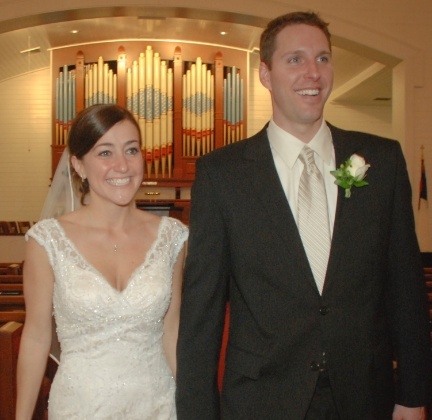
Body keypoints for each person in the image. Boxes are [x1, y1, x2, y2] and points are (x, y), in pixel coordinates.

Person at [176, 11, 432, 420]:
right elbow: (201, 313)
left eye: (323, 58)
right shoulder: (222, 175)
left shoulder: (382, 161)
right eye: (295, 59)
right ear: (265, 73)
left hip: (365, 397)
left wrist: (415, 394)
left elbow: (405, 288)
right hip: (262, 400)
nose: (312, 72)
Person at [16, 104, 188, 419]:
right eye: (105, 153)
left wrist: (195, 406)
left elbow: (172, 330)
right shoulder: (48, 241)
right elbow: (37, 336)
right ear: (78, 165)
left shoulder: (173, 237)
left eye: (131, 150)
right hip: (79, 406)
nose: (122, 165)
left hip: (158, 404)